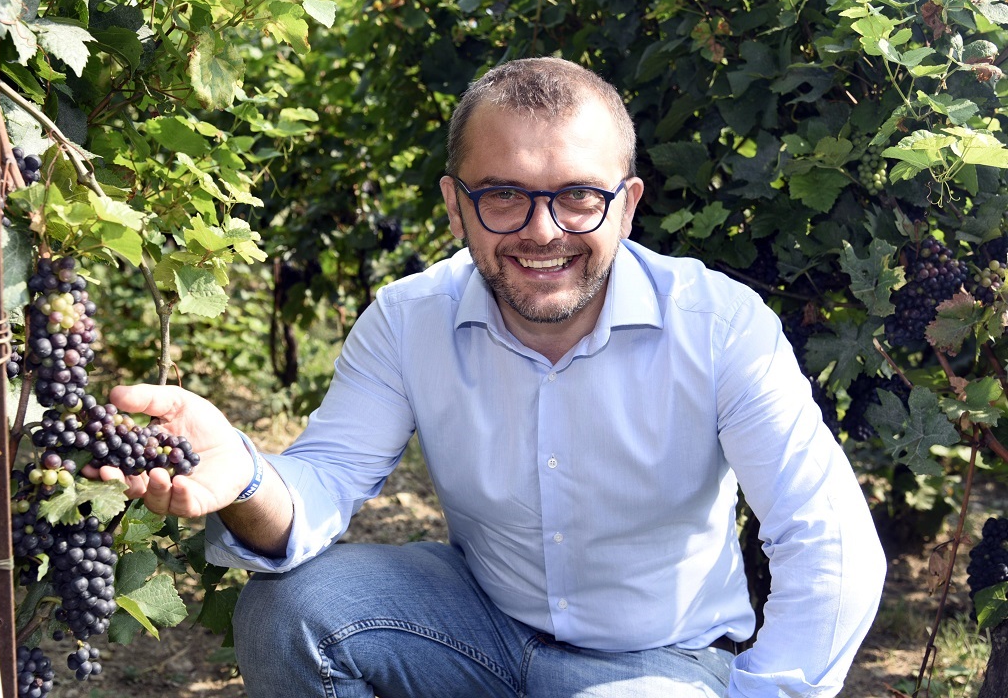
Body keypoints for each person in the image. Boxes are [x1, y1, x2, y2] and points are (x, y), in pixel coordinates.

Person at [92, 57, 886, 697]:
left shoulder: (717, 326)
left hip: (659, 663)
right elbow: (326, 480)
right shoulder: (408, 319)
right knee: (291, 609)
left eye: (579, 197)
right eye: (504, 195)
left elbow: (827, 538)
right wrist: (243, 478)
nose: (543, 233)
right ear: (455, 205)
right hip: (476, 628)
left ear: (628, 204)